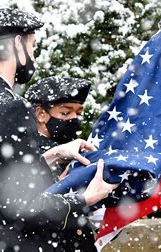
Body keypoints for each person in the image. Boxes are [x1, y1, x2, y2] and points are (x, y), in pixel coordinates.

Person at [0, 8, 117, 251]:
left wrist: (53, 154)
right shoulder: (11, 107)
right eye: (33, 46)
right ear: (18, 45)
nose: (34, 57)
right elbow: (23, 206)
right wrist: (85, 199)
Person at [26, 76, 96, 251]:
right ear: (41, 114)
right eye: (65, 113)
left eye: (78, 113)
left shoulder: (75, 149)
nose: (74, 119)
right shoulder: (27, 153)